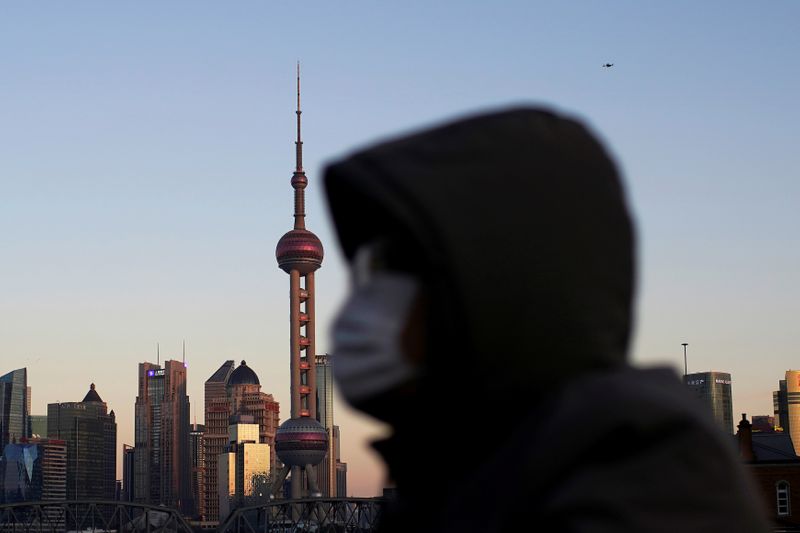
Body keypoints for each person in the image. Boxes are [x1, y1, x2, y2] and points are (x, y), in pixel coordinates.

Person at [323, 107, 769, 532]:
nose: (362, 305)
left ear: (488, 281)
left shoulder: (641, 479)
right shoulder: (464, 470)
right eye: (363, 275)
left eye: (391, 271)